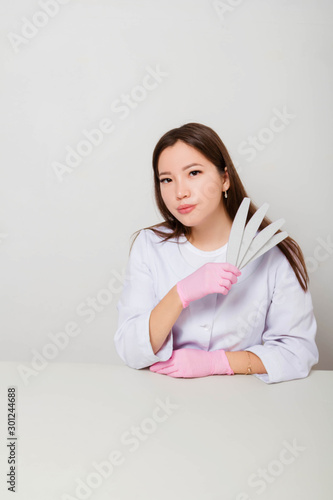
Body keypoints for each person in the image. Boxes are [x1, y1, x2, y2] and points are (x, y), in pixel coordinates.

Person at [114, 122, 319, 384]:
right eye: (167, 179)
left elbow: (298, 353)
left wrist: (217, 363)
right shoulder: (149, 245)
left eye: (194, 173)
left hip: (246, 405)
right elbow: (130, 350)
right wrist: (179, 294)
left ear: (225, 179)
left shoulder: (274, 252)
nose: (180, 192)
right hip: (164, 395)